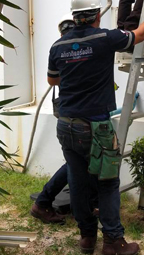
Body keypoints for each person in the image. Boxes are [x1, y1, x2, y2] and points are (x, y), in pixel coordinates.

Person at [47, 0, 144, 255]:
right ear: (98, 14)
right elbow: (140, 34)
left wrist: (76, 68)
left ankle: (87, 238)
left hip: (66, 124)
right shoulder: (105, 38)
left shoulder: (58, 46)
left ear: (74, 16)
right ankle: (113, 242)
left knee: (78, 182)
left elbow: (52, 80)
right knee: (107, 182)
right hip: (95, 127)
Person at [31, 14, 98, 224]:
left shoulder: (61, 49)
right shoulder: (75, 50)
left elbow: (53, 80)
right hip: (78, 117)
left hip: (71, 115)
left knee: (79, 162)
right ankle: (45, 202)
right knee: (79, 163)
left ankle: (47, 202)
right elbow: (54, 80)